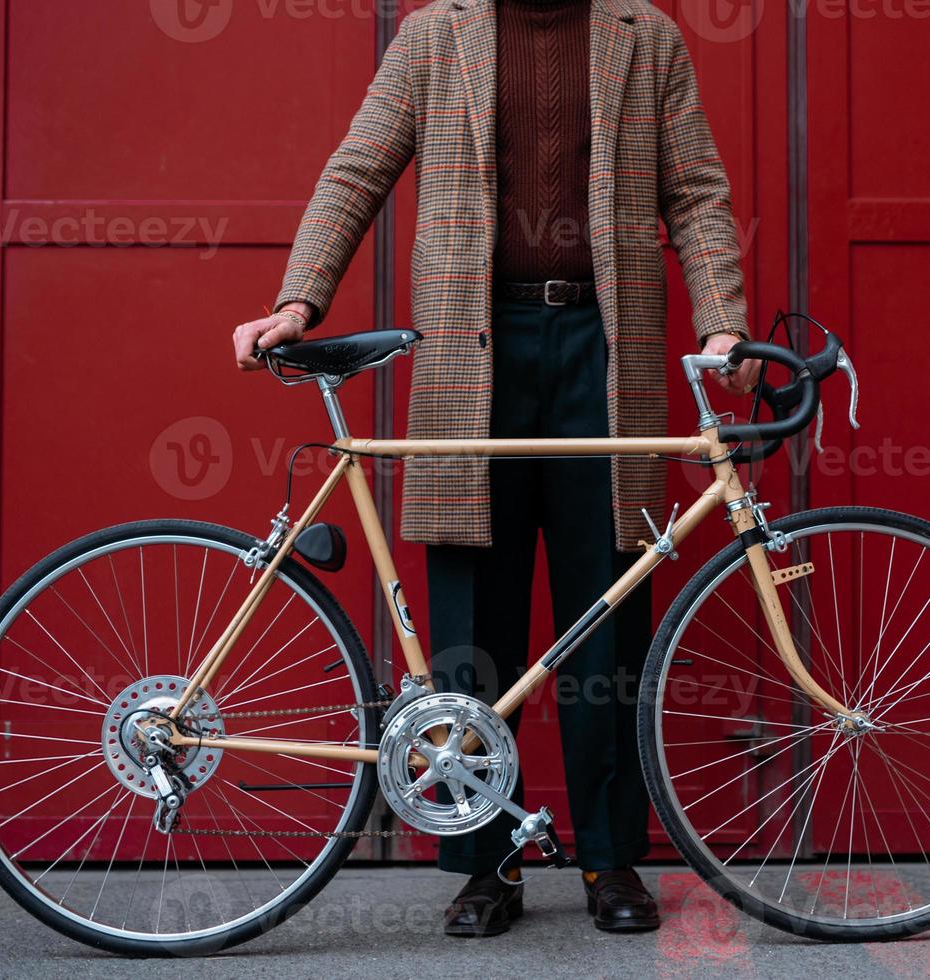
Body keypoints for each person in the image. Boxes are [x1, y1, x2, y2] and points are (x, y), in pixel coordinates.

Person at [230, 0, 756, 938]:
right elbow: (358, 169)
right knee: (474, 612)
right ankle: (485, 862)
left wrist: (722, 316)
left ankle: (608, 857)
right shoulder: (436, 36)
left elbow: (697, 190)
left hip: (608, 345)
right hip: (472, 348)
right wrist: (299, 300)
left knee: (611, 606)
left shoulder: (646, 35)